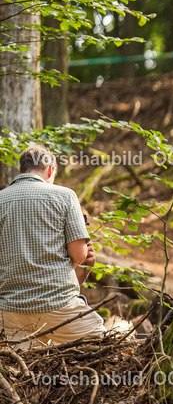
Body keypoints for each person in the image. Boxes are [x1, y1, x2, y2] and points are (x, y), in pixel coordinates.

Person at [0, 146, 104, 350]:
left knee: (23, 364)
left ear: (20, 172)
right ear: (50, 171)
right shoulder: (65, 196)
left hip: (9, 313)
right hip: (59, 309)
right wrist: (82, 258)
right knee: (100, 339)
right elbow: (78, 254)